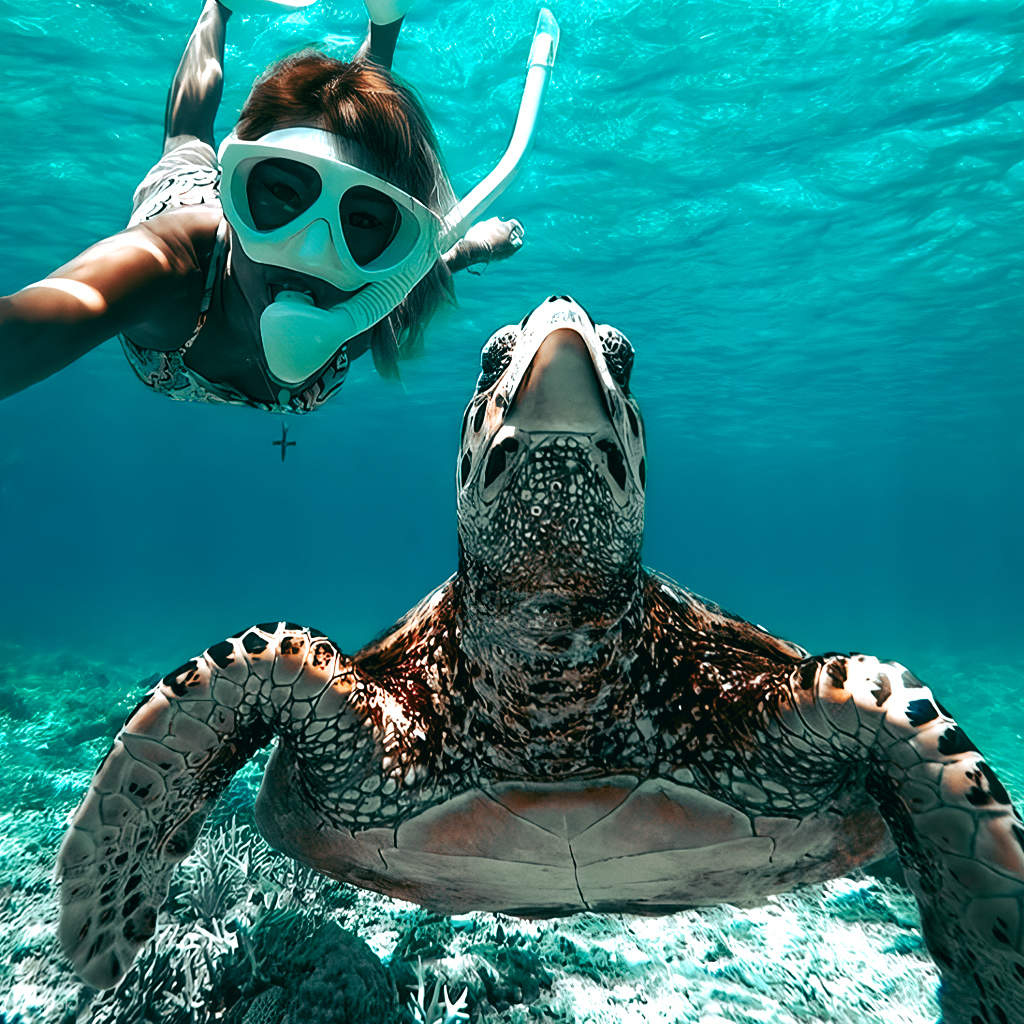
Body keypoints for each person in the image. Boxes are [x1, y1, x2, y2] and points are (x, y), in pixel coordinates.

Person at [0, 0, 533, 412]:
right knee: (186, 139)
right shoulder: (165, 268)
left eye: (366, 221)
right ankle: (219, 5)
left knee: (363, 158)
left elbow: (423, 265)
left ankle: (381, 34)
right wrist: (473, 247)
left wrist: (469, 247)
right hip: (188, 200)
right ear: (238, 188)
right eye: (281, 192)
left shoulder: (368, 294)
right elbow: (40, 322)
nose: (312, 250)